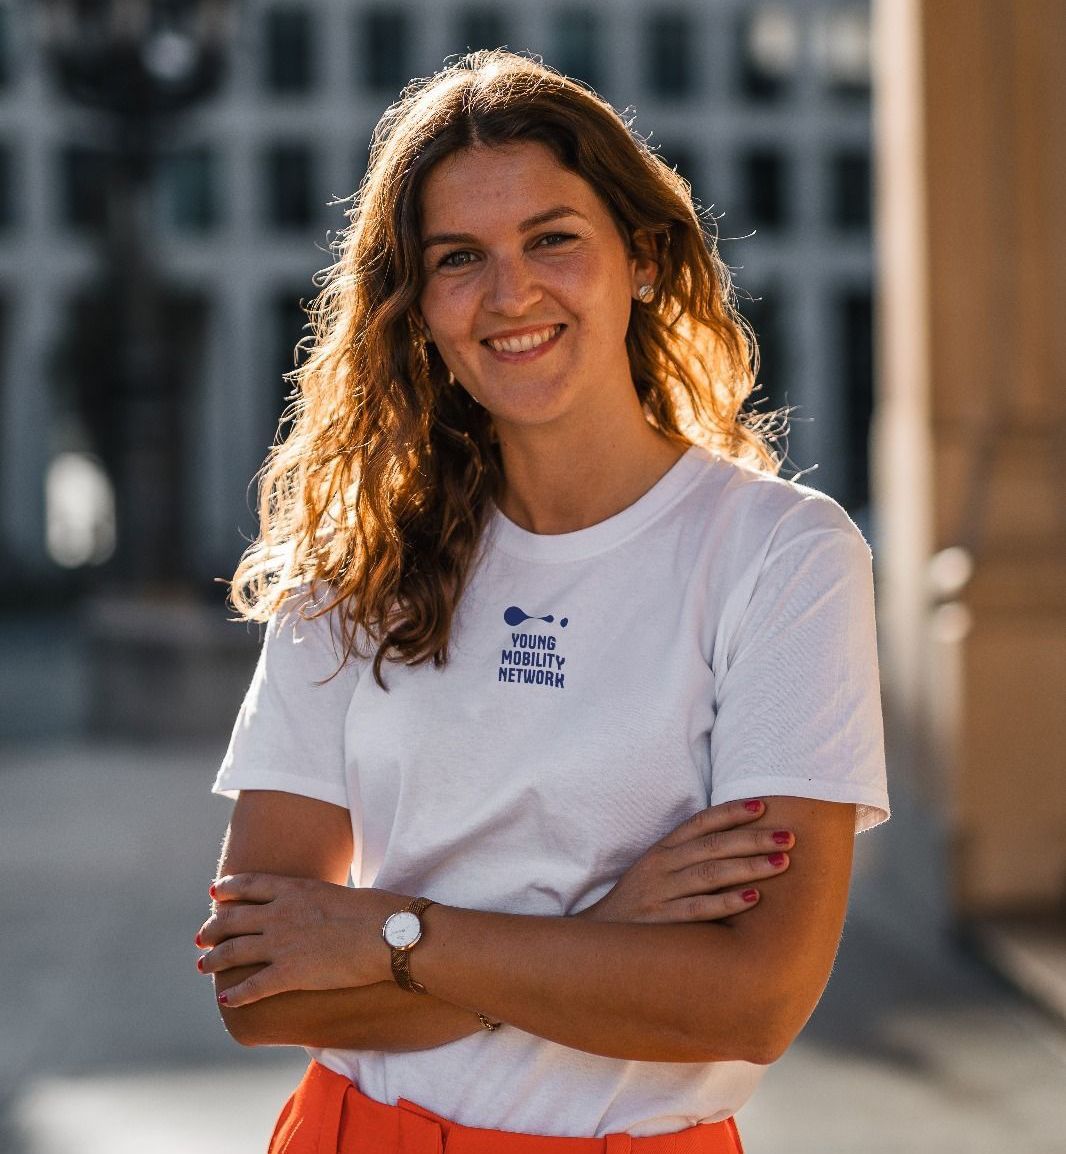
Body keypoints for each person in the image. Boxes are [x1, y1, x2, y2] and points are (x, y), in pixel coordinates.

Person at [195, 49, 889, 1154]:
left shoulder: (781, 558)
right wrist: (603, 933)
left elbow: (752, 999)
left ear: (645, 259)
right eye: (458, 258)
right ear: (417, 306)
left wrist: (386, 939)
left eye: (552, 238)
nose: (510, 292)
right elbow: (257, 990)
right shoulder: (353, 565)